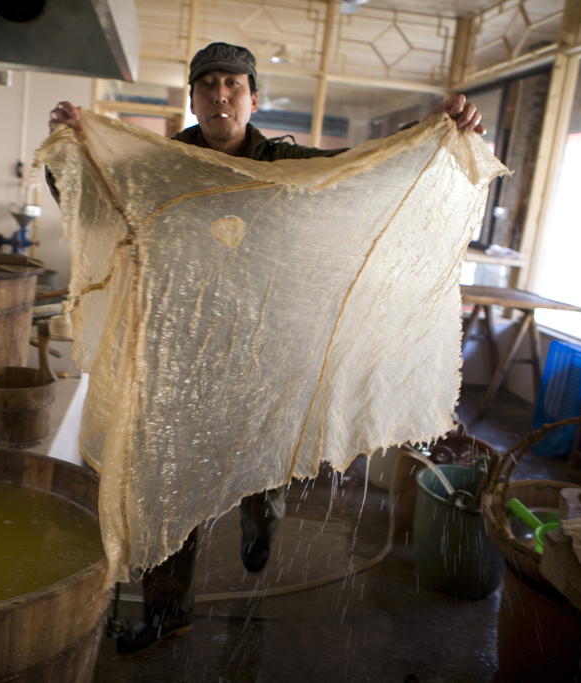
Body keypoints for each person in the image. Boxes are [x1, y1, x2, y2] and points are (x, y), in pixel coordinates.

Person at [46, 42, 486, 654]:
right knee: (169, 480)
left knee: (263, 457)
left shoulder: (288, 162)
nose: (220, 94)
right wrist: (71, 147)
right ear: (194, 98)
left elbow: (358, 167)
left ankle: (262, 526)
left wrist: (433, 130)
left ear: (253, 98)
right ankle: (166, 610)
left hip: (263, 347)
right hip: (183, 350)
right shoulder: (163, 165)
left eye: (233, 84)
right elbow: (90, 203)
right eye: (208, 85)